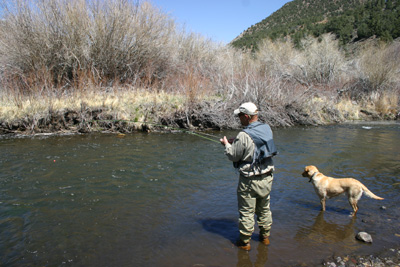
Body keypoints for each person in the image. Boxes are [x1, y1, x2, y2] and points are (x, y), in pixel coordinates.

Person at [220, 102, 277, 251]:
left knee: (246, 212)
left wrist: (227, 144)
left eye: (240, 116)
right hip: (267, 178)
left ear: (246, 116)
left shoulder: (243, 135)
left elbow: (233, 155)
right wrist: (237, 141)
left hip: (250, 181)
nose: (239, 118)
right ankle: (265, 238)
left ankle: (244, 243)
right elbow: (256, 146)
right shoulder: (267, 128)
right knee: (264, 208)